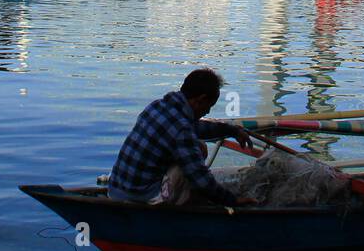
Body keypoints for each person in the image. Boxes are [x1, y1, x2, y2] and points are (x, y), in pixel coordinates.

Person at [107, 69, 258, 207]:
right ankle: (181, 205)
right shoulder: (182, 129)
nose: (207, 112)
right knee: (195, 159)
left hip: (115, 189)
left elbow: (198, 128)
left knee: (198, 147)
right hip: (139, 197)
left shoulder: (158, 106)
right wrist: (231, 200)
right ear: (201, 100)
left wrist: (232, 131)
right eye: (209, 106)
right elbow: (200, 179)